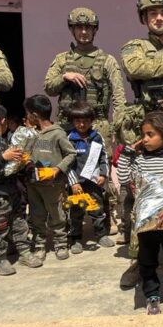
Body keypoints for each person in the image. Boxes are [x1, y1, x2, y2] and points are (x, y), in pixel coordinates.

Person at [117, 0, 163, 286]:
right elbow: (136, 67)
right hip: (149, 133)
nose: (159, 17)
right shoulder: (135, 46)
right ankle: (139, 259)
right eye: (153, 13)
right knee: (141, 194)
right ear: (144, 18)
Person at [42, 7, 127, 232]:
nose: (83, 32)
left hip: (98, 123)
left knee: (100, 174)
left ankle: (105, 222)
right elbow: (48, 87)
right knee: (67, 172)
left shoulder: (106, 60)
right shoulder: (62, 59)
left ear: (95, 29)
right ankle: (72, 224)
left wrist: (118, 125)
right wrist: (64, 77)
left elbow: (119, 94)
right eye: (79, 27)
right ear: (72, 29)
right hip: (68, 125)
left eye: (88, 27)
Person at [116, 111, 163, 315]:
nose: (145, 139)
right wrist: (128, 153)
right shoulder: (140, 161)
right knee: (147, 261)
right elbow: (124, 178)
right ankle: (152, 296)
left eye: (151, 135)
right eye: (144, 135)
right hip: (146, 224)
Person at [0, 104, 39, 272]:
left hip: (13, 191)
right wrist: (3, 157)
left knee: (19, 223)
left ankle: (24, 251)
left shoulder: (6, 141)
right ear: (3, 121)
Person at [23, 94, 74, 261]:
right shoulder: (30, 133)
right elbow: (27, 152)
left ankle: (60, 243)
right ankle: (39, 245)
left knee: (57, 214)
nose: (27, 116)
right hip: (33, 183)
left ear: (35, 115)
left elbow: (71, 154)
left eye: (28, 113)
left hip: (53, 185)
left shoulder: (57, 134)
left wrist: (57, 169)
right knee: (36, 215)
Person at [64, 101, 113, 253]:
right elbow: (67, 164)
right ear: (73, 121)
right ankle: (76, 239)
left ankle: (101, 235)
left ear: (91, 121)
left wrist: (104, 174)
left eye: (85, 121)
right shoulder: (69, 139)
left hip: (94, 183)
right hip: (77, 185)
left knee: (97, 209)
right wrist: (74, 183)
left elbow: (104, 158)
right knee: (76, 212)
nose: (82, 124)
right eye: (78, 121)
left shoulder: (97, 137)